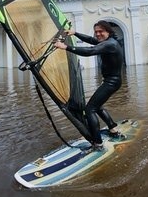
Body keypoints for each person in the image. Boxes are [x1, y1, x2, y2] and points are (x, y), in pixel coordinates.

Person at [53, 20, 124, 152]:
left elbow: (91, 51)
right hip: (111, 81)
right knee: (97, 106)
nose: (98, 34)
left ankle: (97, 143)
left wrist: (66, 47)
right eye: (96, 31)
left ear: (108, 32)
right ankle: (113, 129)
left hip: (111, 82)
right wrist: (75, 33)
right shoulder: (108, 42)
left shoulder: (110, 44)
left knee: (90, 108)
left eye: (101, 31)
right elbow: (91, 40)